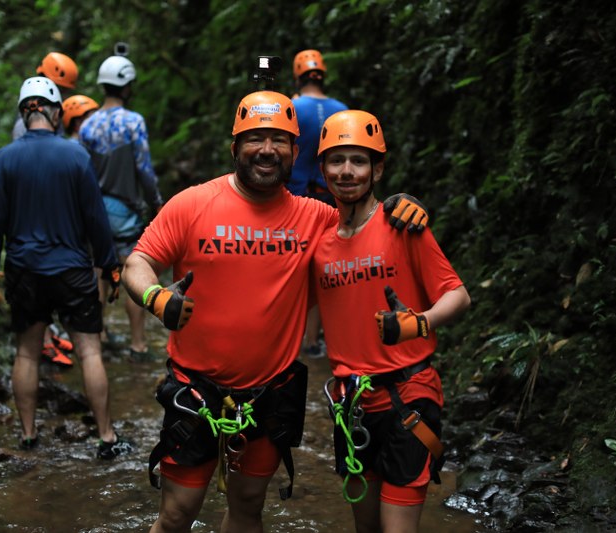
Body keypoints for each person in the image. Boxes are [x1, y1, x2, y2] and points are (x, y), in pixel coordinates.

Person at [120, 89, 430, 533]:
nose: (267, 149)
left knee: (248, 506)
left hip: (270, 395)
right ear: (234, 148)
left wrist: (404, 203)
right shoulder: (191, 204)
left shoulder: (317, 217)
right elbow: (138, 262)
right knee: (176, 513)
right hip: (196, 390)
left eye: (279, 140)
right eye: (255, 138)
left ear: (295, 153)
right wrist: (156, 298)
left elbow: (369, 223)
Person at [312, 110, 471, 532]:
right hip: (352, 406)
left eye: (359, 161)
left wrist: (418, 323)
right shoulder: (320, 245)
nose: (347, 172)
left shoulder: (404, 226)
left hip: (408, 396)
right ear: (322, 170)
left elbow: (457, 295)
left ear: (378, 169)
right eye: (336, 161)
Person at [0, 76, 132, 459]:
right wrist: (111, 266)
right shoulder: (75, 156)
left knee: (27, 353)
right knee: (90, 352)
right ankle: (107, 438)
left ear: (25, 113)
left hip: (25, 270)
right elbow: (95, 219)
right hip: (73, 269)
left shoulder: (5, 158)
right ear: (55, 113)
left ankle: (29, 437)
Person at [79, 55, 164, 361]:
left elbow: (83, 173)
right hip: (126, 210)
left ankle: (98, 338)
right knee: (133, 271)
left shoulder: (88, 125)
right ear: (127, 85)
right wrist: (156, 202)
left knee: (100, 271)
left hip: (96, 211)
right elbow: (144, 169)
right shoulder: (133, 122)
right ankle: (138, 344)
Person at [11, 51, 82, 366]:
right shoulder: (23, 126)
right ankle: (41, 338)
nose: (61, 100)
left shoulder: (48, 119)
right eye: (59, 90)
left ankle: (48, 332)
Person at [290, 49, 349, 359]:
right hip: (335, 197)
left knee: (299, 268)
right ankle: (320, 339)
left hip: (299, 198)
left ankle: (301, 339)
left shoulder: (292, 107)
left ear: (298, 76)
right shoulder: (341, 110)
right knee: (328, 266)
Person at [12, 52, 79, 140]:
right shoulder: (27, 120)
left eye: (65, 90)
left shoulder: (55, 112)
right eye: (60, 88)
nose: (62, 94)